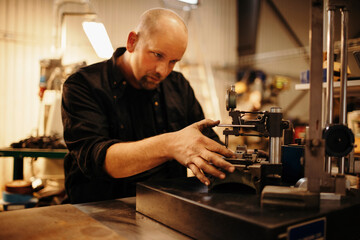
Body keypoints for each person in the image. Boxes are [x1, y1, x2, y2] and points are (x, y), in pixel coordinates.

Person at [61, 8, 235, 204]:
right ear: (132, 42)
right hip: (99, 213)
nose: (162, 71)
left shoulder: (178, 86)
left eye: (173, 62)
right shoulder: (83, 85)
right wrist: (171, 144)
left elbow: (206, 141)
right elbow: (97, 159)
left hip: (167, 211)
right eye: (157, 55)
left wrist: (240, 162)